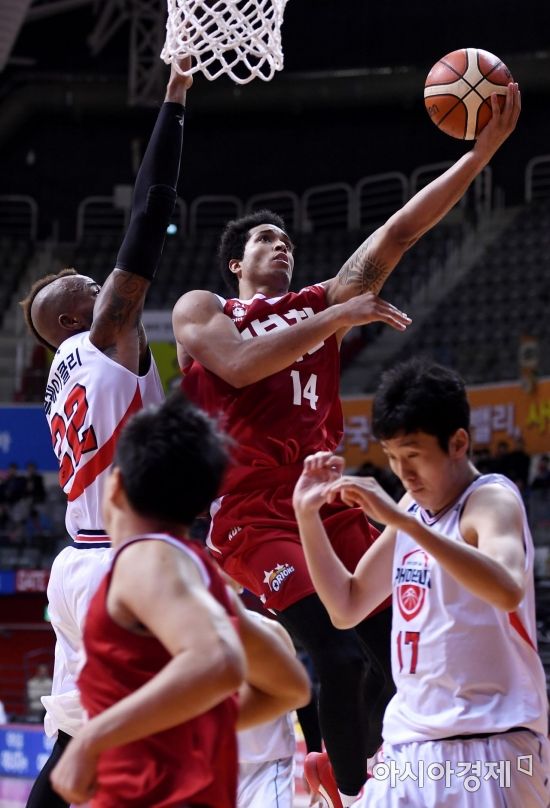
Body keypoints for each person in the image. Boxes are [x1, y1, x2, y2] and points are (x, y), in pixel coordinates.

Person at [173, 84, 521, 807]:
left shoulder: (325, 304)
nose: (281, 245)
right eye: (264, 239)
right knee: (333, 652)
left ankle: (409, 777)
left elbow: (396, 234)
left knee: (397, 649)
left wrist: (478, 156)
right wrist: (335, 321)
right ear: (234, 264)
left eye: (287, 239)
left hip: (327, 498)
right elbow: (238, 365)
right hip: (252, 514)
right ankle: (349, 794)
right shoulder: (207, 310)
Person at [19, 56, 192, 808]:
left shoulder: (71, 368)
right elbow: (151, 214)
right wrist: (175, 99)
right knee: (159, 729)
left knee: (73, 743)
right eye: (92, 288)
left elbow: (145, 422)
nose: (106, 284)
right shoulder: (101, 336)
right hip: (118, 564)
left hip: (80, 560)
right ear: (72, 317)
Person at [292, 357, 550, 807]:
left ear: (458, 443)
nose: (403, 473)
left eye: (413, 456)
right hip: (409, 744)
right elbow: (347, 604)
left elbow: (508, 588)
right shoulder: (412, 506)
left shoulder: (490, 500)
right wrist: (306, 517)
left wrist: (403, 523)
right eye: (392, 457)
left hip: (491, 743)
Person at [50, 391, 310, 807]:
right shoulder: (196, 573)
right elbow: (290, 687)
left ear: (114, 486)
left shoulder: (144, 557)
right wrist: (175, 730)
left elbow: (218, 661)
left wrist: (92, 739)